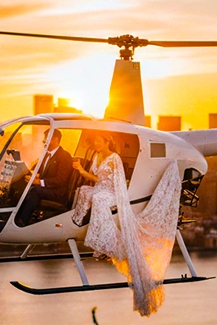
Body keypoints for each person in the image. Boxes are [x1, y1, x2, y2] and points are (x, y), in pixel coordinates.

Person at [70, 133, 183, 317]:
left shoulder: (114, 158)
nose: (96, 143)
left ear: (107, 141)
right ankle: (78, 221)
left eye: (98, 140)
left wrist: (82, 171)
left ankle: (105, 242)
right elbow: (93, 179)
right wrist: (83, 174)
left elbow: (107, 181)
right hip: (99, 189)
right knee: (83, 191)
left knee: (98, 199)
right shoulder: (98, 157)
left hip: (111, 192)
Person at [15, 129, 73, 226]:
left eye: (46, 138)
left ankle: (23, 221)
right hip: (46, 187)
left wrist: (39, 182)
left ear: (55, 139)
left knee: (35, 190)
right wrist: (28, 174)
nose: (43, 141)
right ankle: (13, 216)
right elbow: (37, 169)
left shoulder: (65, 156)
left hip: (57, 192)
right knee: (21, 183)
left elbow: (61, 180)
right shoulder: (46, 154)